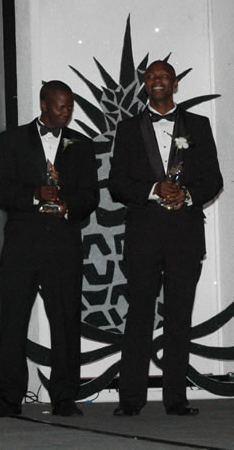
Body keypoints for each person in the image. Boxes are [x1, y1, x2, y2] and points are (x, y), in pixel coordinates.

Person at [109, 60, 223, 416]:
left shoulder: (198, 125)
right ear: (145, 84)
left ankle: (176, 399)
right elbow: (117, 184)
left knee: (179, 318)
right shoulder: (128, 129)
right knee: (139, 316)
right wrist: (153, 189)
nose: (156, 80)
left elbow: (214, 179)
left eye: (163, 76)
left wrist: (186, 195)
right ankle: (131, 399)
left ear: (175, 84)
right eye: (150, 76)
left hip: (185, 236)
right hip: (143, 235)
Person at [0, 81, 98, 417]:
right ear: (43, 105)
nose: (66, 113)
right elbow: (1, 191)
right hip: (22, 243)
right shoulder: (12, 139)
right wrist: (36, 193)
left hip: (64, 245)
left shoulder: (82, 146)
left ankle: (65, 396)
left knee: (66, 321)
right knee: (13, 321)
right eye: (60, 107)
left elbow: (90, 197)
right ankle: (9, 398)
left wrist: (67, 205)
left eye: (70, 108)